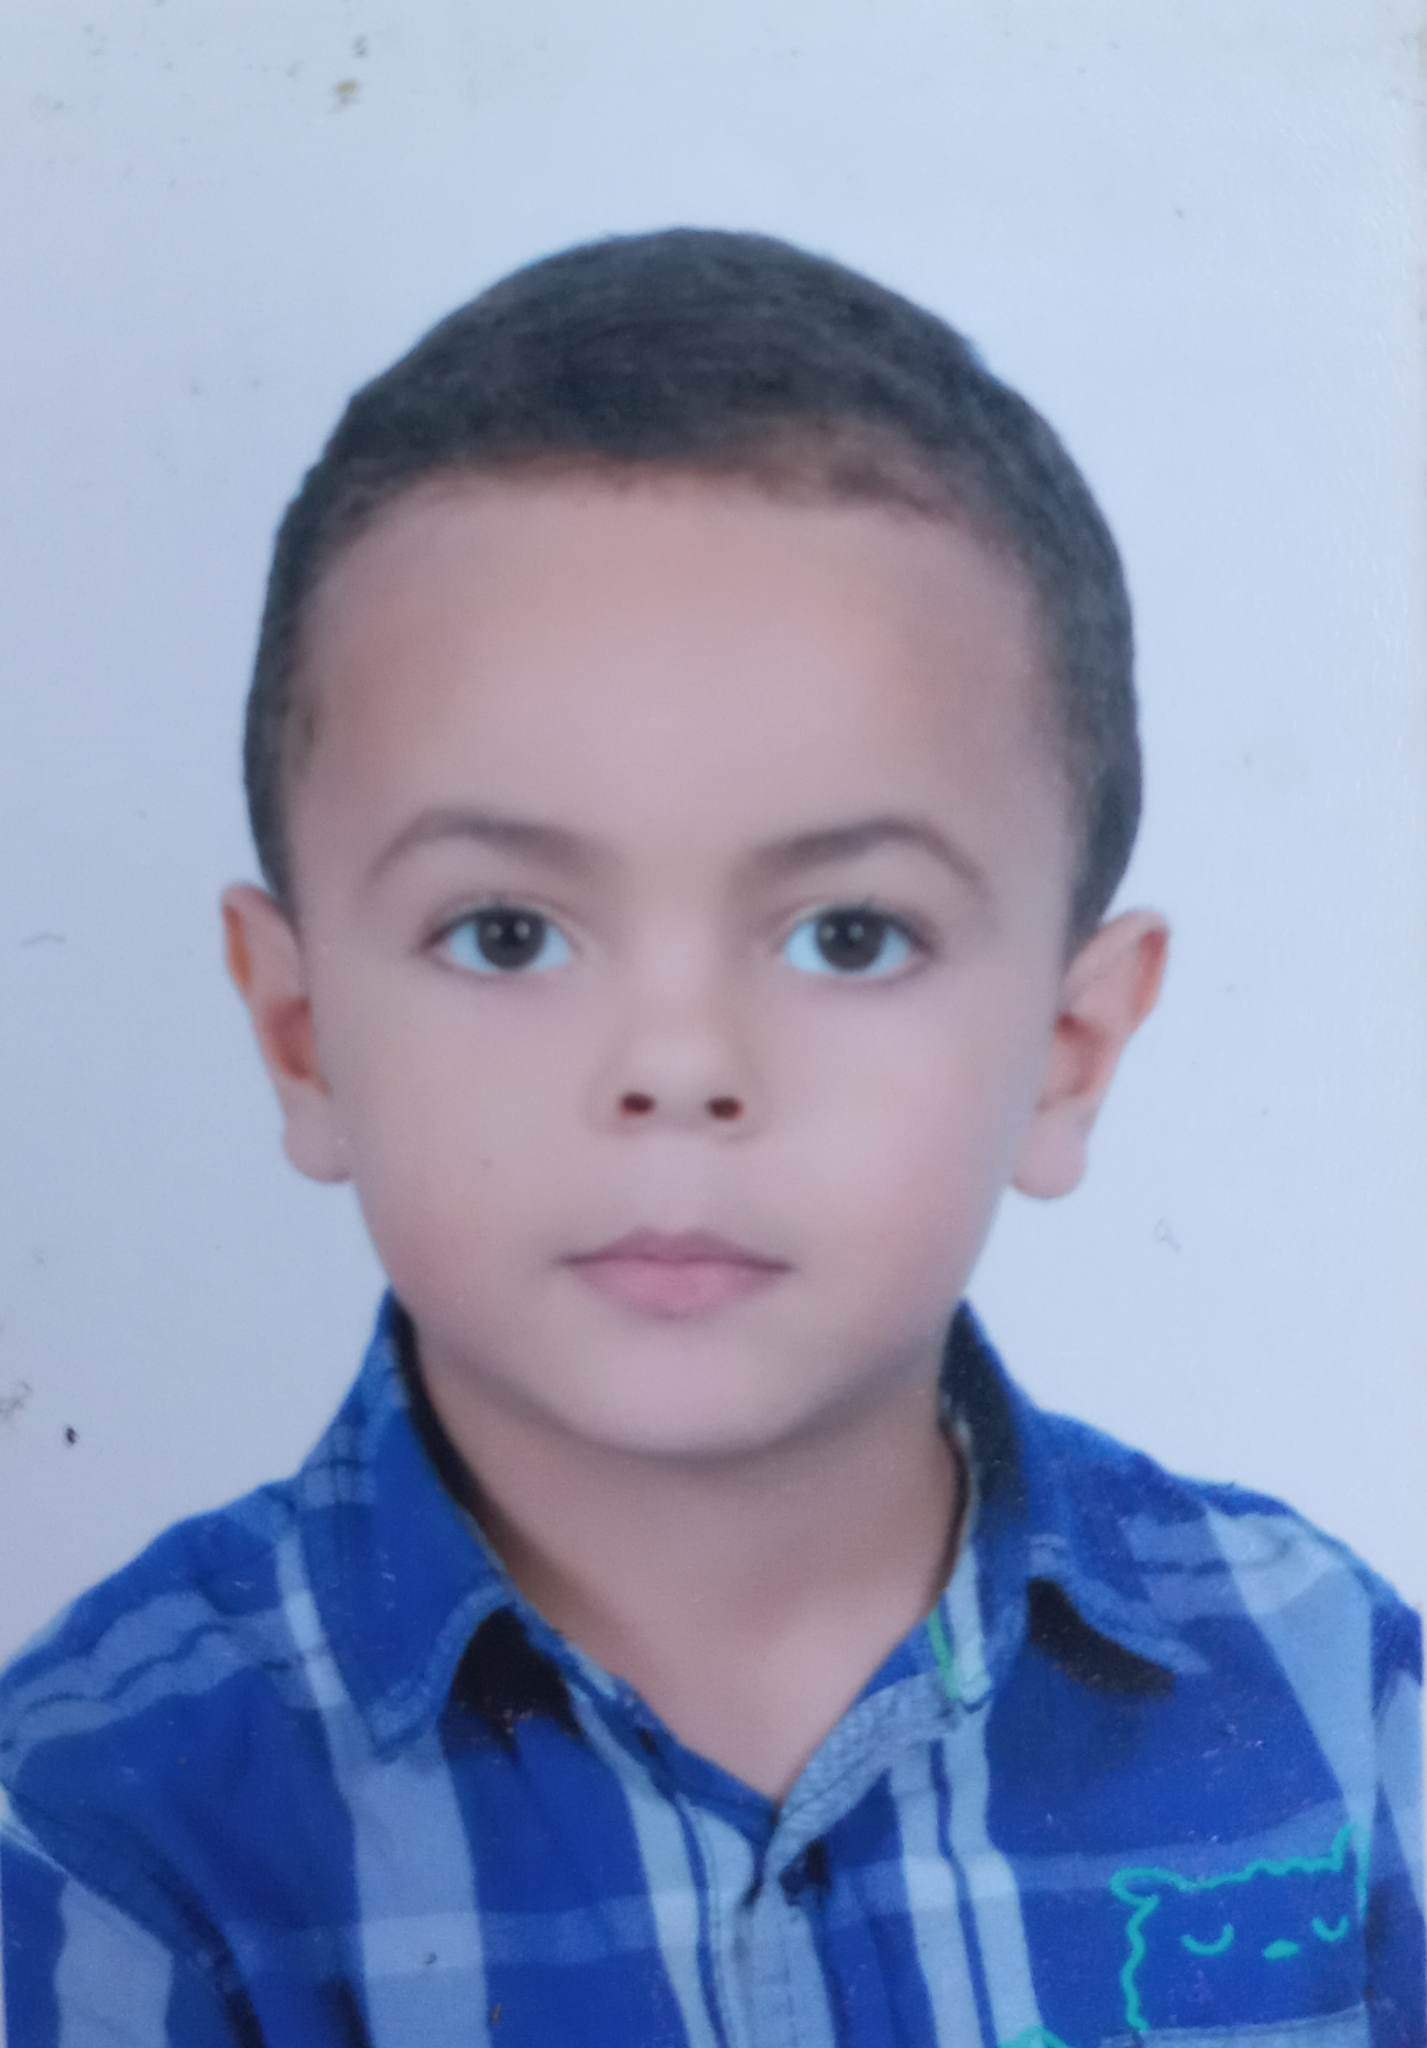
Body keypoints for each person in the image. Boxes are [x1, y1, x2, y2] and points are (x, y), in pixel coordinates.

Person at [0, 226, 1420, 2048]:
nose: (678, 1068)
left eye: (852, 936)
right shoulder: (103, 1830)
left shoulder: (1328, 1692)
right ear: (299, 1035)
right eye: (506, 933)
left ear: (1071, 1052)